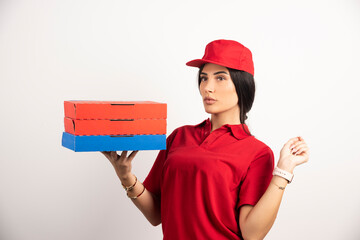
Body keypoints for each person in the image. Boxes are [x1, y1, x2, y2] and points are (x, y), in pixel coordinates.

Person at [101, 39, 309, 240]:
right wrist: (125, 175)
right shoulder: (179, 136)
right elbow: (156, 215)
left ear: (242, 84)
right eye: (203, 78)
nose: (207, 87)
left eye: (220, 78)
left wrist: (283, 172)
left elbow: (252, 234)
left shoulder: (257, 152)